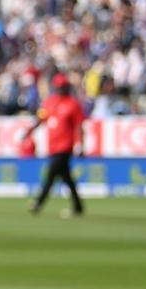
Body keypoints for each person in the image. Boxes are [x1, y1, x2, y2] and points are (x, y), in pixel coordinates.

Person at [23, 73, 85, 217]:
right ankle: (78, 207)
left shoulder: (73, 104)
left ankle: (38, 203)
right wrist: (29, 131)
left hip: (65, 146)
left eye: (63, 87)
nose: (61, 90)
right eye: (59, 87)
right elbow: (41, 118)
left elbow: (79, 126)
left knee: (51, 174)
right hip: (53, 146)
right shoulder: (49, 102)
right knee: (66, 178)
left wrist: (80, 144)